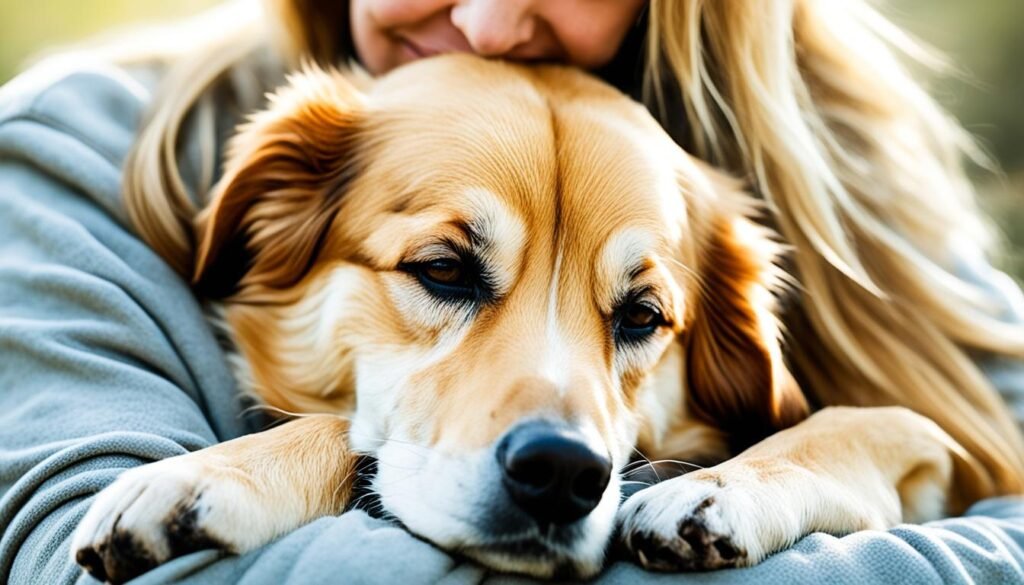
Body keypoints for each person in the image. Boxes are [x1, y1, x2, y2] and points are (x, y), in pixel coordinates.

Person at [2, 0, 1024, 583]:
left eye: (634, 319)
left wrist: (806, 473)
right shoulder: (70, 153)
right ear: (257, 227)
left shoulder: (838, 204)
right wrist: (321, 457)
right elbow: (81, 568)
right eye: (444, 273)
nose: (488, 21)